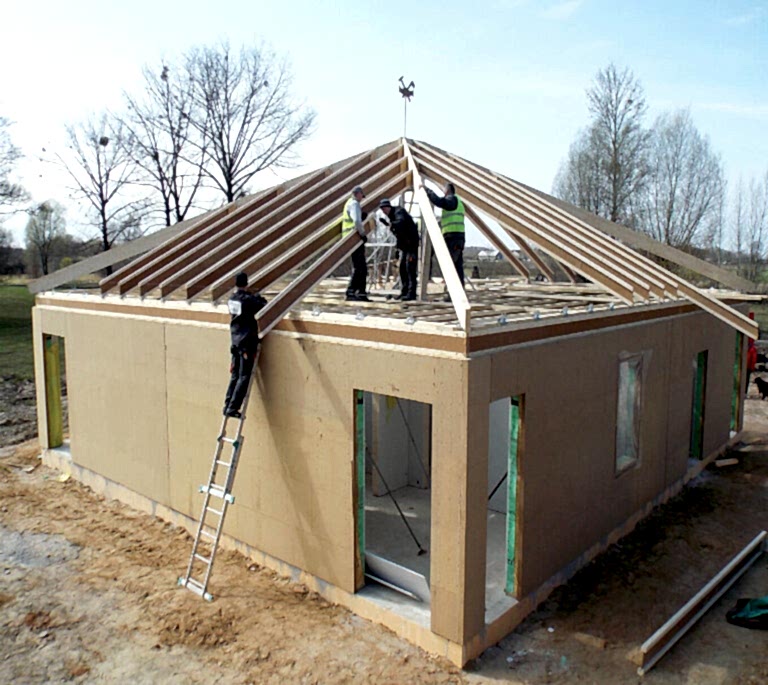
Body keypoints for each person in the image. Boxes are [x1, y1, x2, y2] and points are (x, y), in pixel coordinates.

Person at [223, 272, 267, 418]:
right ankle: (233, 407)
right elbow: (262, 305)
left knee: (235, 375)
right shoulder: (247, 300)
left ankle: (227, 405)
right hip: (246, 342)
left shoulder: (231, 299)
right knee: (244, 376)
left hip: (235, 341)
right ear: (246, 283)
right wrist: (256, 297)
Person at [422, 181, 465, 301]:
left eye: (443, 189)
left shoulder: (452, 200)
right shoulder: (458, 201)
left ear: (447, 190)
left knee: (450, 267)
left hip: (453, 238)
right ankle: (458, 294)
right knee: (456, 266)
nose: (442, 191)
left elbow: (440, 202)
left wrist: (427, 191)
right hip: (456, 238)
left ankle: (453, 295)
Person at [378, 198, 420, 300]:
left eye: (384, 209)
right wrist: (398, 249)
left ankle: (411, 293)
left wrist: (392, 225)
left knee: (410, 268)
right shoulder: (392, 216)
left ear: (388, 207)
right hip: (405, 246)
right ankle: (405, 292)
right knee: (403, 269)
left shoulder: (398, 212)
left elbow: (401, 223)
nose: (384, 212)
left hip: (411, 244)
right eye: (382, 210)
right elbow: (399, 235)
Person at [341, 185, 370, 302]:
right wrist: (363, 234)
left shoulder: (348, 203)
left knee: (361, 266)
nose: (362, 199)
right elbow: (357, 221)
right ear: (357, 194)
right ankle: (351, 291)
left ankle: (361, 292)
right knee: (359, 267)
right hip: (354, 238)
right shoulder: (354, 204)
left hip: (350, 239)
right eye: (361, 196)